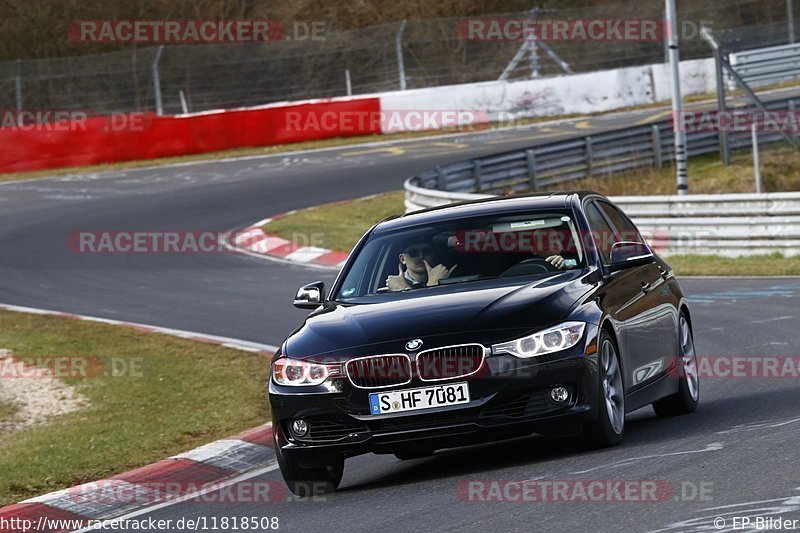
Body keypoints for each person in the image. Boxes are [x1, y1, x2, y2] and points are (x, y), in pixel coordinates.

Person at [385, 240, 457, 291]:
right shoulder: (394, 286)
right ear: (403, 259)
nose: (421, 256)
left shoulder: (449, 278)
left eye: (426, 251)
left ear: (433, 255)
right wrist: (433, 284)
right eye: (414, 253)